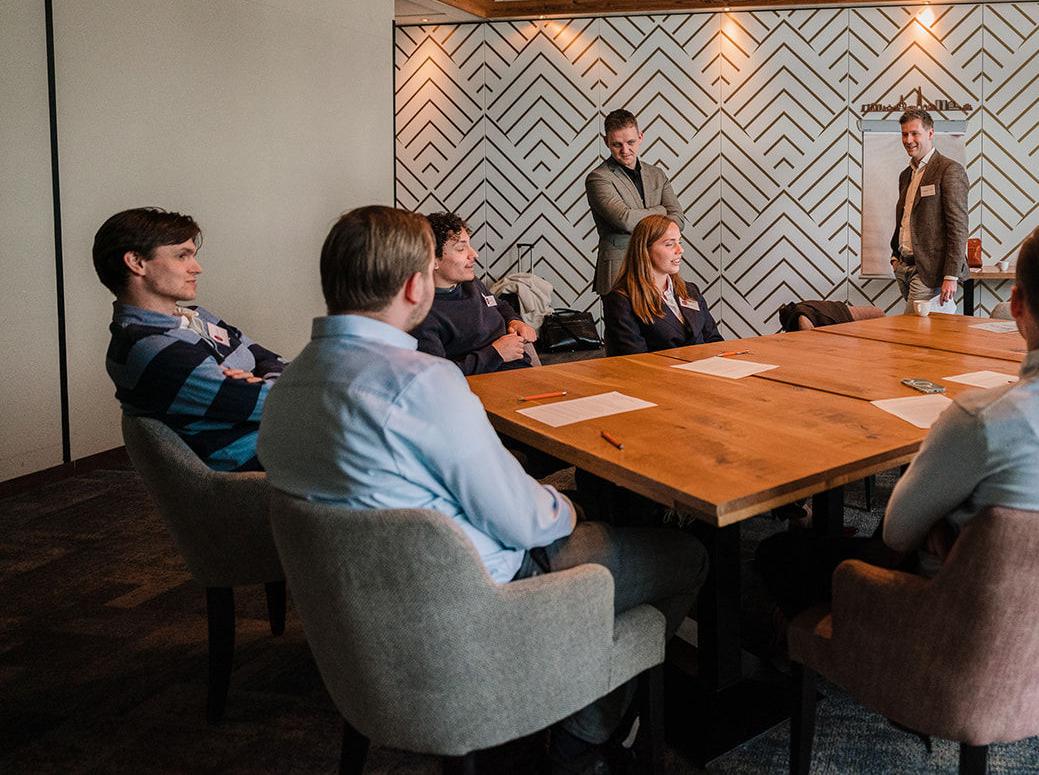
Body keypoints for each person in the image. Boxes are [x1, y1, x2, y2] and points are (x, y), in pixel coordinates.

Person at [258, 206, 706, 766]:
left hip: (370, 618)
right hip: (486, 598)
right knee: (686, 554)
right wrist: (567, 509)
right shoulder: (422, 383)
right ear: (417, 285)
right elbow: (527, 522)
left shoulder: (286, 387)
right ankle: (585, 730)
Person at [756, 219, 1039, 616]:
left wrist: (944, 528)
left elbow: (897, 533)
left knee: (778, 554)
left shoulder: (982, 418)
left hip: (955, 617)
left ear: (1016, 305)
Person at [94, 207, 282, 472]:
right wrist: (274, 383)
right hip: (261, 465)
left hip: (285, 439)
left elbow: (269, 358)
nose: (197, 268)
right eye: (182, 256)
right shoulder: (148, 347)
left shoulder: (196, 316)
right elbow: (279, 405)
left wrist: (266, 379)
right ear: (136, 262)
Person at [412, 212, 539, 374]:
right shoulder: (423, 314)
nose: (474, 254)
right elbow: (438, 376)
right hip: (484, 383)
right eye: (461, 248)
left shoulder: (470, 283)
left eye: (469, 245)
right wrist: (496, 354)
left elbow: (498, 305)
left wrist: (514, 321)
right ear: (433, 260)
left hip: (521, 371)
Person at [585, 109, 685, 297]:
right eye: (617, 144)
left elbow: (678, 220)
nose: (625, 150)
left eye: (630, 142)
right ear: (606, 142)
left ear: (640, 137)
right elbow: (625, 220)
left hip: (659, 269)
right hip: (619, 270)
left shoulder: (657, 174)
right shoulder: (598, 178)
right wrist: (662, 210)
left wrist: (646, 216)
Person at [602, 214, 723, 355]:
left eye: (679, 242)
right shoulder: (621, 300)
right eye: (669, 244)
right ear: (645, 250)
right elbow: (635, 359)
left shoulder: (690, 290)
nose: (680, 250)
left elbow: (715, 341)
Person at [890, 108, 970, 315]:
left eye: (915, 133)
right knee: (922, 330)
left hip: (930, 273)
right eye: (904, 134)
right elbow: (905, 219)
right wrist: (895, 258)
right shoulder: (905, 175)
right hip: (904, 268)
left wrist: (950, 276)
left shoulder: (949, 170)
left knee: (911, 328)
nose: (908, 140)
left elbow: (958, 227)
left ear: (930, 133)